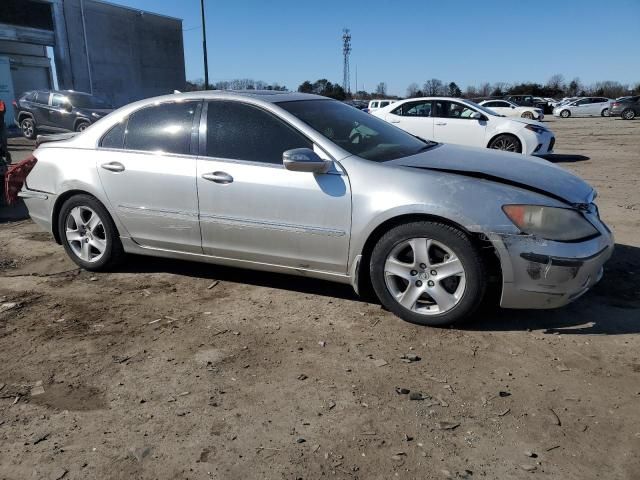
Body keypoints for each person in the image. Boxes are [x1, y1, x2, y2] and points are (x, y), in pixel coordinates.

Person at [0, 98, 9, 165]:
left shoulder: (1, 102)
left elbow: (2, 111)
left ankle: (6, 157)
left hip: (1, 125)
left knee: (3, 143)